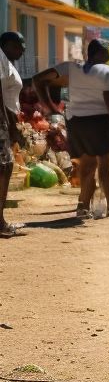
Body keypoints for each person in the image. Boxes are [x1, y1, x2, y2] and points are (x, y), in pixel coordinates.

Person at [33, 39, 109, 217]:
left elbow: (38, 79)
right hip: (100, 122)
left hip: (77, 122)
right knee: (102, 165)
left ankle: (92, 205)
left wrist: (49, 107)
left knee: (88, 165)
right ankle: (101, 205)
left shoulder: (70, 67)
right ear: (99, 54)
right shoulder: (108, 71)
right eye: (106, 52)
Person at [0, 32, 27, 237]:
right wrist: (9, 122)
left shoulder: (7, 61)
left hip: (7, 119)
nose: (23, 49)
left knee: (7, 168)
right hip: (2, 120)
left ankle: (1, 219)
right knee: (4, 168)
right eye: (20, 44)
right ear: (8, 44)